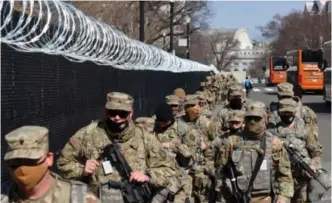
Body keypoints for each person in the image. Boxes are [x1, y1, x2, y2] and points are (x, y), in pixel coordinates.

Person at [57, 92, 182, 203]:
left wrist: (148, 177)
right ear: (106, 111)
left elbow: (169, 170)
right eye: (112, 112)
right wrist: (82, 170)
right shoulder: (87, 135)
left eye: (122, 113)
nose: (117, 117)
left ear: (131, 113)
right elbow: (63, 164)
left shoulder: (145, 138)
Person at [215, 101, 294, 203]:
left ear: (265, 118)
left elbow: (285, 176)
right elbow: (220, 173)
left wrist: (283, 197)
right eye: (249, 118)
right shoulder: (232, 142)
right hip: (236, 198)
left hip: (266, 198)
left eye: (257, 118)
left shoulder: (275, 144)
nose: (252, 122)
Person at [1, 126, 100, 203]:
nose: (22, 169)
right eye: (15, 162)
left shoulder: (79, 198)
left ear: (49, 159)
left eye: (31, 161)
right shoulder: (3, 196)